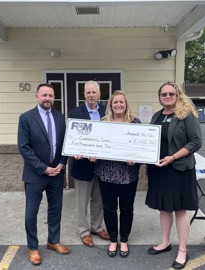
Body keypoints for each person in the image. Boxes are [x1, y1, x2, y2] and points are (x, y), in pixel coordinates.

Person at [145, 82, 202, 269]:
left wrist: (173, 157)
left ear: (177, 95)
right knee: (164, 207)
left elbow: (196, 142)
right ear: (159, 97)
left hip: (179, 169)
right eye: (164, 94)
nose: (167, 96)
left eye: (171, 93)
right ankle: (165, 242)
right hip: (160, 170)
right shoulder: (157, 115)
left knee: (180, 209)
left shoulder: (186, 115)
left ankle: (183, 250)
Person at [18, 83, 70, 266]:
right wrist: (43, 168)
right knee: (31, 212)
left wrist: (62, 164)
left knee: (55, 209)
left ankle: (53, 241)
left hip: (56, 173)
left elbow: (65, 144)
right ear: (37, 97)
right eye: (44, 95)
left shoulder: (59, 117)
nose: (48, 98)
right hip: (35, 174)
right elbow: (24, 147)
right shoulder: (26, 118)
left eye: (51, 95)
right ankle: (33, 247)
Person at [91, 90, 141, 258]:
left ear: (126, 104)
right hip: (106, 174)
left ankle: (124, 240)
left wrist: (136, 159)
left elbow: (142, 148)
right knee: (109, 209)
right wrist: (91, 154)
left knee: (127, 209)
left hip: (129, 175)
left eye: (121, 102)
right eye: (115, 102)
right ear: (110, 105)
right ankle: (113, 239)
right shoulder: (102, 123)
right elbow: (95, 146)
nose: (118, 105)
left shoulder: (135, 123)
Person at [68, 80, 110, 247]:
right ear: (83, 94)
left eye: (94, 92)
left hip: (102, 165)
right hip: (82, 164)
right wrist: (78, 152)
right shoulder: (75, 113)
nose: (91, 95)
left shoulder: (106, 111)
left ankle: (96, 226)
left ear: (99, 93)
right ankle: (84, 231)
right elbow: (73, 138)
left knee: (98, 199)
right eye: (88, 93)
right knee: (82, 200)